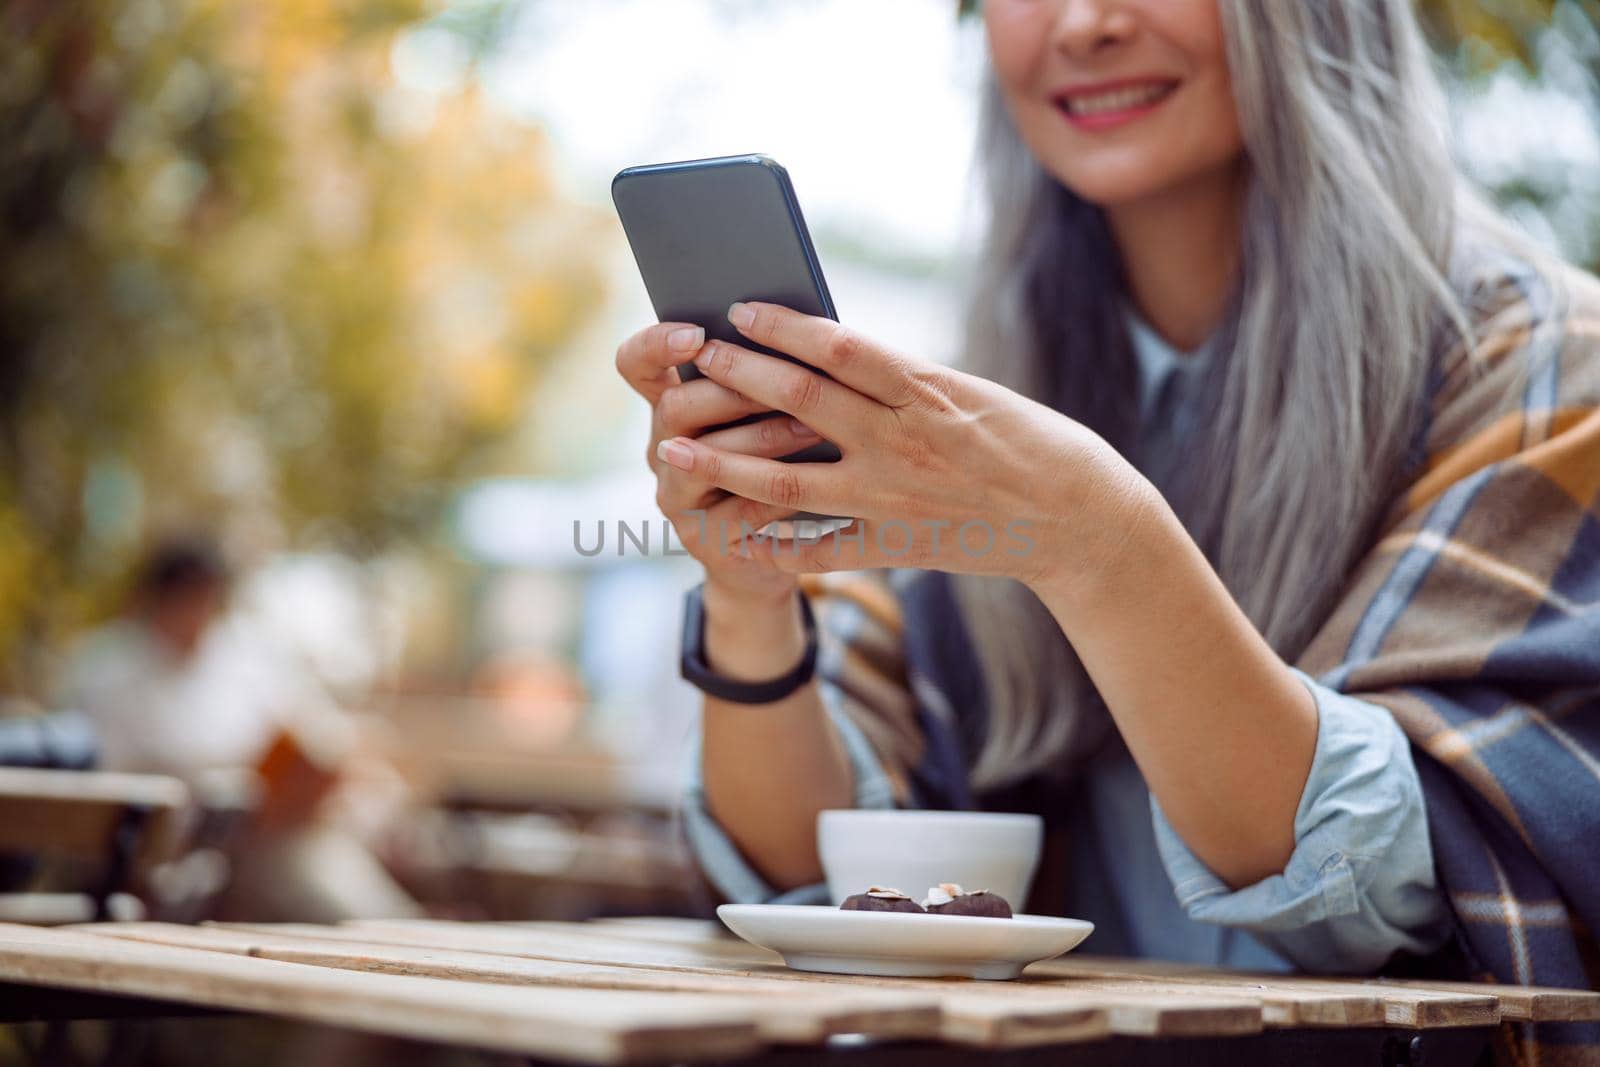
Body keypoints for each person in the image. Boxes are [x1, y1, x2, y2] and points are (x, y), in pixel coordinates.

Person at [614, 1, 1600, 1061]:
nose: (1083, 25)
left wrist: (1094, 540)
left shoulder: (1540, 365)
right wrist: (747, 588)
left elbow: (1385, 874)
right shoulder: (969, 397)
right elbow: (812, 863)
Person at [55, 538, 420, 922]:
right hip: (167, 856)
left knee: (342, 867)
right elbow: (105, 785)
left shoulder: (243, 657)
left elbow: (317, 738)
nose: (198, 612)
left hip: (264, 836)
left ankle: (408, 930)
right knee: (326, 891)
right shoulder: (107, 670)